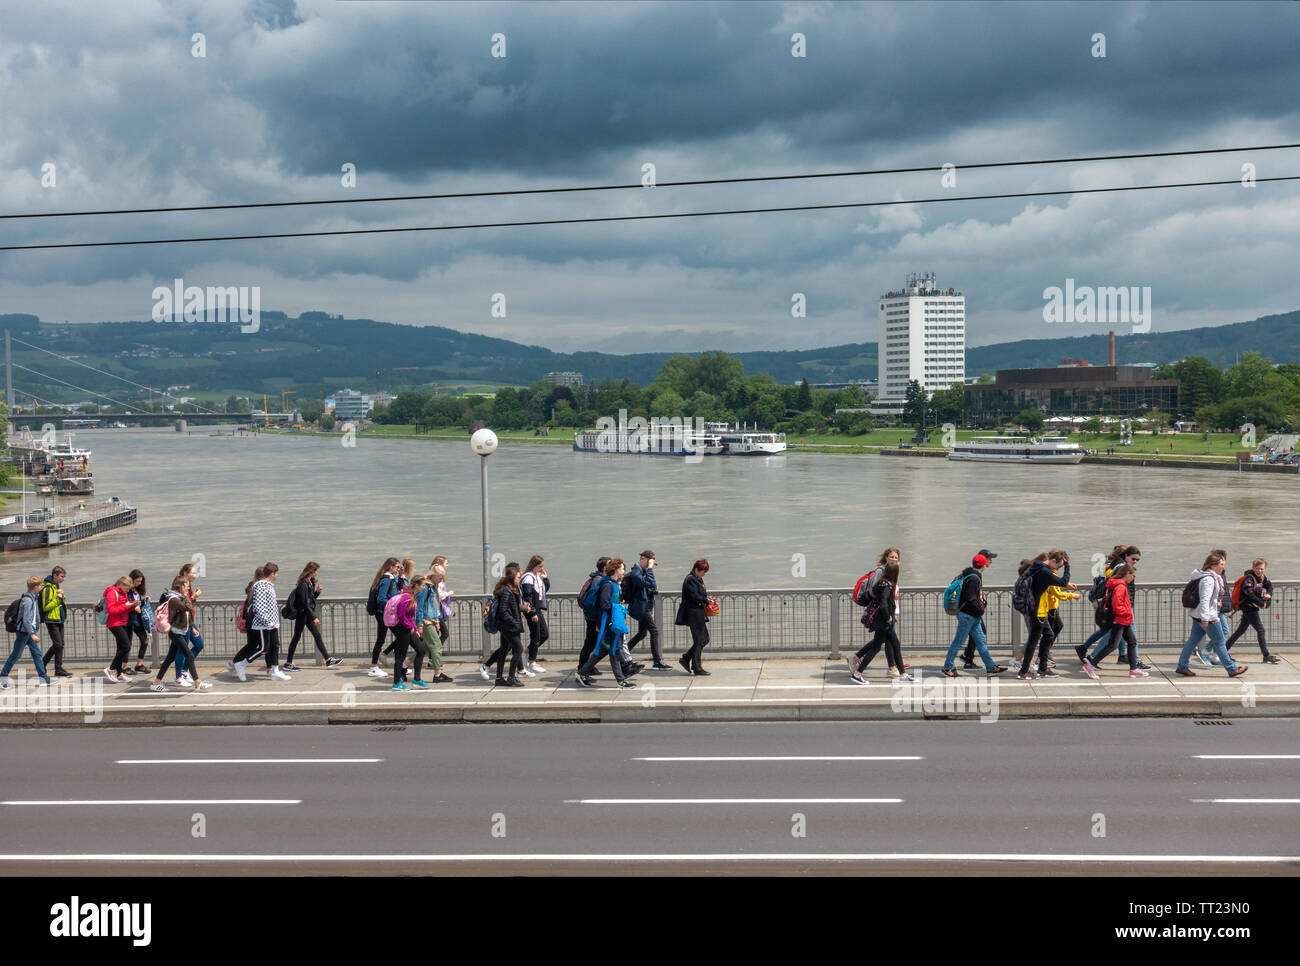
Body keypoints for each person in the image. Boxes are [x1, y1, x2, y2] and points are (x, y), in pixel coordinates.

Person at [1176, 552, 1246, 678]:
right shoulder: (1209, 580)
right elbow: (1205, 600)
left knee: (1192, 641)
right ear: (1213, 565)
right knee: (1219, 642)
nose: (1223, 567)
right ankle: (1231, 668)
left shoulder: (1206, 576)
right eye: (1221, 564)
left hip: (1199, 615)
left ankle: (1182, 666)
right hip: (1209, 617)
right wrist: (1205, 618)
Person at [1075, 546, 1146, 668]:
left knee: (1119, 636)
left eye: (1137, 560)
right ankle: (1093, 658)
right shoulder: (1121, 569)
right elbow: (1118, 592)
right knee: (1114, 636)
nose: (1135, 561)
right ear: (1125, 556)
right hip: (1122, 609)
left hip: (1121, 607)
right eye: (1134, 559)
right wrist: (1126, 610)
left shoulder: (1119, 566)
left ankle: (1125, 658)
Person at [941, 554, 1005, 676]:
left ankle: (990, 666)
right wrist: (981, 608)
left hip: (972, 616)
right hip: (968, 616)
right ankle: (947, 667)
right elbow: (971, 599)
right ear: (983, 565)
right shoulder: (974, 578)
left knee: (981, 642)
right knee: (958, 641)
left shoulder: (969, 575)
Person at [576, 557, 634, 688]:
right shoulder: (608, 585)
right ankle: (621, 681)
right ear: (617, 569)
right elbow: (604, 604)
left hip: (611, 622)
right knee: (613, 650)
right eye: (623, 568)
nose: (624, 571)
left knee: (605, 651)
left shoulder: (611, 584)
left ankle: (581, 673)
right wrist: (618, 608)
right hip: (611, 623)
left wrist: (618, 605)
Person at [1019, 550, 1076, 679]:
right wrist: (1067, 567)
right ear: (1054, 561)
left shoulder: (1038, 567)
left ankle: (1042, 668)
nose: (1059, 569)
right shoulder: (1044, 571)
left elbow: (1055, 583)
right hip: (1037, 611)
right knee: (1034, 641)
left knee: (1048, 635)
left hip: (1038, 610)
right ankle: (1024, 671)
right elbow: (1061, 582)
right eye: (1059, 566)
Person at [229, 562, 290, 681]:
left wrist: (273, 623)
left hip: (272, 624)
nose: (277, 575)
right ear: (272, 574)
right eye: (276, 573)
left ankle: (275, 670)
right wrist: (267, 622)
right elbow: (259, 607)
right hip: (263, 625)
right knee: (263, 648)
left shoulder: (269, 586)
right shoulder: (261, 586)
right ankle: (241, 664)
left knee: (275, 646)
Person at [149, 577, 212, 691]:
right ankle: (198, 683)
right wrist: (190, 596)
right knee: (189, 656)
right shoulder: (174, 599)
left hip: (180, 631)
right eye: (187, 585)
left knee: (169, 658)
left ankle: (155, 683)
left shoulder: (180, 597)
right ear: (181, 586)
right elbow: (188, 606)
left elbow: (188, 614)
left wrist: (192, 628)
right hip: (176, 632)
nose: (188, 587)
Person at [1083, 564, 1143, 677]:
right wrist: (1127, 612)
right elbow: (1117, 604)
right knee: (1112, 645)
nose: (1133, 578)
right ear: (1127, 574)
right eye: (1133, 576)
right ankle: (1090, 665)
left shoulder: (1120, 585)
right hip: (1120, 620)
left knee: (1132, 642)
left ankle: (1133, 668)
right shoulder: (1120, 586)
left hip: (1124, 620)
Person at [851, 561, 906, 682]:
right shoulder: (887, 586)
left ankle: (903, 674)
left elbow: (878, 600)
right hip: (884, 623)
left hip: (882, 622)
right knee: (885, 646)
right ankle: (858, 673)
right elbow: (883, 605)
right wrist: (889, 618)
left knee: (887, 646)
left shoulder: (881, 583)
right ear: (895, 573)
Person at [284, 562, 342, 670]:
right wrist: (314, 617)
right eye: (316, 571)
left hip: (306, 614)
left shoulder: (309, 582)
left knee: (315, 636)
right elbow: (304, 604)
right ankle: (288, 663)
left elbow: (310, 600)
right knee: (297, 637)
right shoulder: (303, 584)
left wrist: (317, 592)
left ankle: (328, 660)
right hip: (303, 614)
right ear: (311, 571)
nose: (317, 573)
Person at [1225, 558, 1278, 663]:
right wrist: (1261, 602)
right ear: (1253, 568)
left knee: (1240, 630)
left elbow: (1269, 586)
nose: (1259, 571)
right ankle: (1266, 655)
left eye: (1262, 569)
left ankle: (1223, 651)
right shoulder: (1249, 579)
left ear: (1265, 569)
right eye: (1257, 569)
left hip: (1253, 606)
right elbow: (1248, 593)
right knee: (1261, 630)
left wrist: (1269, 594)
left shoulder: (1263, 578)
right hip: (1248, 606)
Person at [1, 577, 50, 689]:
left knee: (37, 655)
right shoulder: (28, 600)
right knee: (15, 656)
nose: (41, 587)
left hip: (28, 632)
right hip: (24, 633)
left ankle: (44, 679)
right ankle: (2, 678)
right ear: (35, 587)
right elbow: (26, 619)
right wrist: (32, 633)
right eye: (40, 585)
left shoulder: (33, 598)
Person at [625, 550, 669, 670]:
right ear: (643, 558)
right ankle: (657, 662)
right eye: (650, 562)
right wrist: (650, 569)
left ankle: (623, 654)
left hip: (646, 606)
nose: (652, 565)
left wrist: (648, 569)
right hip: (642, 607)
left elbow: (653, 586)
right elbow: (650, 582)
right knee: (654, 631)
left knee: (642, 633)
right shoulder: (636, 572)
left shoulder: (642, 572)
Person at [955, 548, 997, 668]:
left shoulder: (970, 573)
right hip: (969, 611)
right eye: (989, 559)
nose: (991, 561)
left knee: (976, 633)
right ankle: (966, 658)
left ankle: (968, 657)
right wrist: (980, 608)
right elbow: (970, 596)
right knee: (968, 637)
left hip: (967, 610)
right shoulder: (973, 575)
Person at [488, 563, 527, 687]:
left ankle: (499, 678)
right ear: (512, 578)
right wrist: (514, 622)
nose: (519, 580)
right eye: (518, 578)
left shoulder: (509, 590)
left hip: (506, 626)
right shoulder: (507, 591)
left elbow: (510, 608)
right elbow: (503, 611)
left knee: (504, 650)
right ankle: (511, 677)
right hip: (508, 627)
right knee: (519, 649)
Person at [572, 556, 610, 678]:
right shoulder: (599, 581)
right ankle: (582, 669)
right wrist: (597, 623)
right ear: (605, 568)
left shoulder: (597, 579)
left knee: (593, 643)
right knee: (589, 644)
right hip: (594, 618)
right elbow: (594, 602)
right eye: (610, 564)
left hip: (593, 617)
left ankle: (588, 667)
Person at [389, 575, 429, 691]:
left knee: (421, 650)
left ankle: (417, 679)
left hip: (408, 628)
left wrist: (415, 629)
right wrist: (410, 627)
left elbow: (410, 616)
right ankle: (396, 683)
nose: (424, 587)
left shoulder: (413, 596)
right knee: (400, 656)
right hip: (402, 628)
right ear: (416, 585)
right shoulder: (407, 597)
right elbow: (401, 615)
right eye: (423, 585)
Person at [675, 558, 712, 676]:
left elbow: (700, 594)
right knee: (700, 640)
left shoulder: (697, 579)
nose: (704, 574)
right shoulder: (691, 580)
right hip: (693, 614)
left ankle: (686, 658)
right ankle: (696, 667)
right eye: (703, 571)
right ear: (697, 569)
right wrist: (706, 600)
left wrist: (706, 599)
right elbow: (695, 596)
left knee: (704, 639)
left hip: (698, 614)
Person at [416, 568, 453, 683]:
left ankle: (404, 666)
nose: (441, 578)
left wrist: (437, 620)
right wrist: (419, 625)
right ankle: (437, 675)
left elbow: (434, 605)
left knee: (425, 648)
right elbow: (420, 607)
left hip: (432, 620)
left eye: (442, 576)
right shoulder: (426, 588)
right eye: (439, 576)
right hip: (426, 621)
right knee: (437, 646)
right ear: (432, 575)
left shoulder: (433, 587)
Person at [368, 557, 402, 678]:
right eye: (397, 567)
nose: (399, 569)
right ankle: (373, 667)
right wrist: (392, 605)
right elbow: (381, 599)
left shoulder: (391, 579)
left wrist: (401, 574)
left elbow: (397, 590)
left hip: (387, 613)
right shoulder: (386, 580)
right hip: (384, 613)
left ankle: (400, 665)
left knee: (400, 637)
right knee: (382, 639)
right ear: (390, 567)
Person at [103, 575, 141, 682]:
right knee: (126, 646)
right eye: (127, 588)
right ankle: (111, 668)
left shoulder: (123, 593)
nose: (128, 590)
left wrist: (133, 605)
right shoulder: (112, 592)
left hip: (122, 622)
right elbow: (112, 610)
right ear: (121, 584)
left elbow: (124, 608)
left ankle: (119, 673)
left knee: (121, 648)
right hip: (114, 623)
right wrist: (127, 606)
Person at [176, 563, 206, 688]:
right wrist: (194, 597)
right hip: (182, 623)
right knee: (181, 650)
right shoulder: (180, 586)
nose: (194, 575)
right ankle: (179, 676)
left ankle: (184, 670)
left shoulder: (188, 586)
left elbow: (188, 605)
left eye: (195, 573)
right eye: (192, 573)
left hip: (189, 621)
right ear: (184, 573)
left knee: (199, 645)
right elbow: (182, 605)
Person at [38, 566, 71, 678]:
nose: (63, 579)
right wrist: (58, 598)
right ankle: (42, 664)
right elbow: (46, 606)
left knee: (60, 645)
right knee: (58, 644)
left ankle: (58, 669)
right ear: (55, 575)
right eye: (62, 576)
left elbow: (60, 603)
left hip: (59, 619)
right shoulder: (47, 588)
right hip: (51, 620)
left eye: (64, 576)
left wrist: (62, 597)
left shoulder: (55, 586)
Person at [520, 555, 550, 673]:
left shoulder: (536, 576)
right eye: (540, 566)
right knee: (536, 636)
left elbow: (544, 590)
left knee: (543, 635)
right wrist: (532, 613)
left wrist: (545, 578)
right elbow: (528, 597)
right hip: (532, 610)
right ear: (534, 565)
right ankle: (531, 661)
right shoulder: (528, 577)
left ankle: (526, 654)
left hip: (537, 609)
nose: (542, 568)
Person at [128, 570, 152, 674]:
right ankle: (124, 666)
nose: (139, 583)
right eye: (137, 581)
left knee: (145, 640)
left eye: (141, 581)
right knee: (127, 644)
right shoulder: (126, 590)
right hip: (128, 620)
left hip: (138, 620)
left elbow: (139, 602)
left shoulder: (138, 591)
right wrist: (133, 607)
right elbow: (125, 603)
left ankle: (139, 664)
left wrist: (145, 599)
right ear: (131, 580)